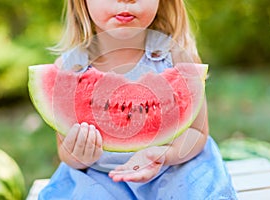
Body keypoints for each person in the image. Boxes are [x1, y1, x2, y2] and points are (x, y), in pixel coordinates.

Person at [39, 0, 237, 199]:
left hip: (174, 169)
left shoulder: (178, 57)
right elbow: (65, 151)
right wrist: (79, 155)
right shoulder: (70, 69)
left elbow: (197, 131)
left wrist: (164, 154)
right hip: (101, 178)